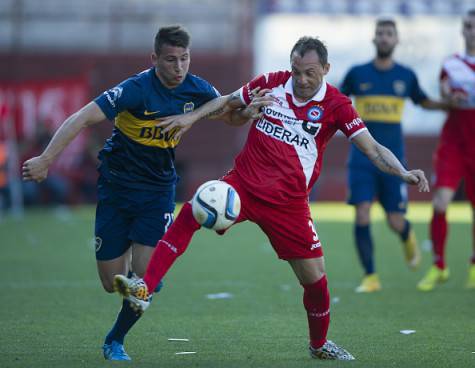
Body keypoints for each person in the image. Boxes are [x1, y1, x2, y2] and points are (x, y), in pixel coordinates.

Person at [112, 36, 430, 361]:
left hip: (289, 205)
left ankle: (319, 345)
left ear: (326, 69)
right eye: (296, 71)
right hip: (243, 186)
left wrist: (403, 172)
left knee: (316, 281)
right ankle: (145, 287)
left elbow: (373, 147)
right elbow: (225, 102)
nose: (302, 80)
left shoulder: (337, 106)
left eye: (310, 73)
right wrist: (190, 118)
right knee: (194, 209)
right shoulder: (271, 84)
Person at [21, 25, 248, 361]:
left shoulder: (197, 89)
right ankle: (130, 278)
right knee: (111, 282)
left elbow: (229, 116)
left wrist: (247, 112)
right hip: (116, 187)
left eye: (184, 59)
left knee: (147, 280)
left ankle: (115, 340)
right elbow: (82, 118)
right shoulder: (135, 90)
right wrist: (46, 159)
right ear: (154, 58)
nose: (178, 67)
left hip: (157, 191)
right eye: (170, 60)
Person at [340, 18, 449, 293]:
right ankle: (371, 276)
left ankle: (406, 233)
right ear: (374, 39)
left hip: (394, 161)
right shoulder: (357, 73)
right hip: (361, 159)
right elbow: (335, 102)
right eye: (380, 33)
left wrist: (451, 105)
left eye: (389, 34)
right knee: (362, 213)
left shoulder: (406, 76)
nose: (384, 38)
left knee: (394, 220)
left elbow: (423, 101)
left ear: (397, 40)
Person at [417, 9, 475, 291]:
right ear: (462, 30)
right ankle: (439, 265)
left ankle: (474, 266)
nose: (471, 31)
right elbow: (444, 94)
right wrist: (448, 98)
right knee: (440, 202)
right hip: (454, 142)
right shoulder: (451, 64)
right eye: (467, 26)